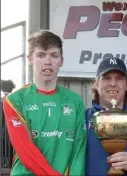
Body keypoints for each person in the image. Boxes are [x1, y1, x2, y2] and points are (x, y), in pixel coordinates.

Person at [2, 30, 86, 176]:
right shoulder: (14, 100)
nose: (48, 61)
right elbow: (25, 150)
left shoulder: (74, 101)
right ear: (30, 59)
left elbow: (78, 150)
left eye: (54, 55)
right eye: (41, 55)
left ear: (62, 60)